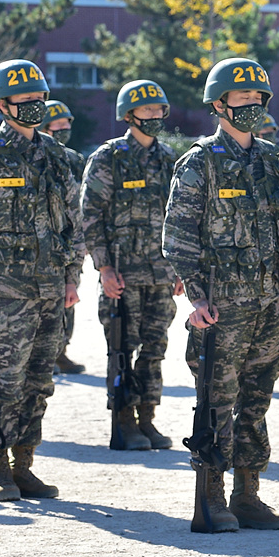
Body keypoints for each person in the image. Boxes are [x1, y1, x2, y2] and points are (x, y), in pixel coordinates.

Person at [163, 57, 279, 532]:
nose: (252, 106)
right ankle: (211, 495)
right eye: (242, 98)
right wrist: (196, 298)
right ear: (219, 104)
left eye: (258, 99)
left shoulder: (273, 159)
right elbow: (178, 234)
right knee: (215, 400)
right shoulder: (200, 163)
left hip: (270, 306)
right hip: (220, 312)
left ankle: (248, 494)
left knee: (257, 400)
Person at [0, 60, 85, 502]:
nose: (34, 108)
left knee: (40, 379)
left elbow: (73, 222)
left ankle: (24, 462)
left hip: (52, 286)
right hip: (3, 291)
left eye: (39, 100)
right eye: (24, 102)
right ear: (2, 105)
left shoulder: (55, 155)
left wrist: (73, 275)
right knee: (6, 379)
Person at [82, 81, 181, 450]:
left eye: (159, 110)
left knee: (155, 347)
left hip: (161, 274)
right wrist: (104, 268)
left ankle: (147, 419)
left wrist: (181, 268)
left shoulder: (169, 159)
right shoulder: (109, 157)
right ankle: (123, 419)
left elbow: (181, 217)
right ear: (128, 115)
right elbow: (90, 215)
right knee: (123, 347)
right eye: (147, 110)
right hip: (121, 276)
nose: (155, 116)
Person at [40, 99, 87, 375]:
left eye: (68, 122)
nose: (65, 128)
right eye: (59, 123)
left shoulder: (71, 158)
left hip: (63, 242)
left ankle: (62, 350)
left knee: (66, 302)